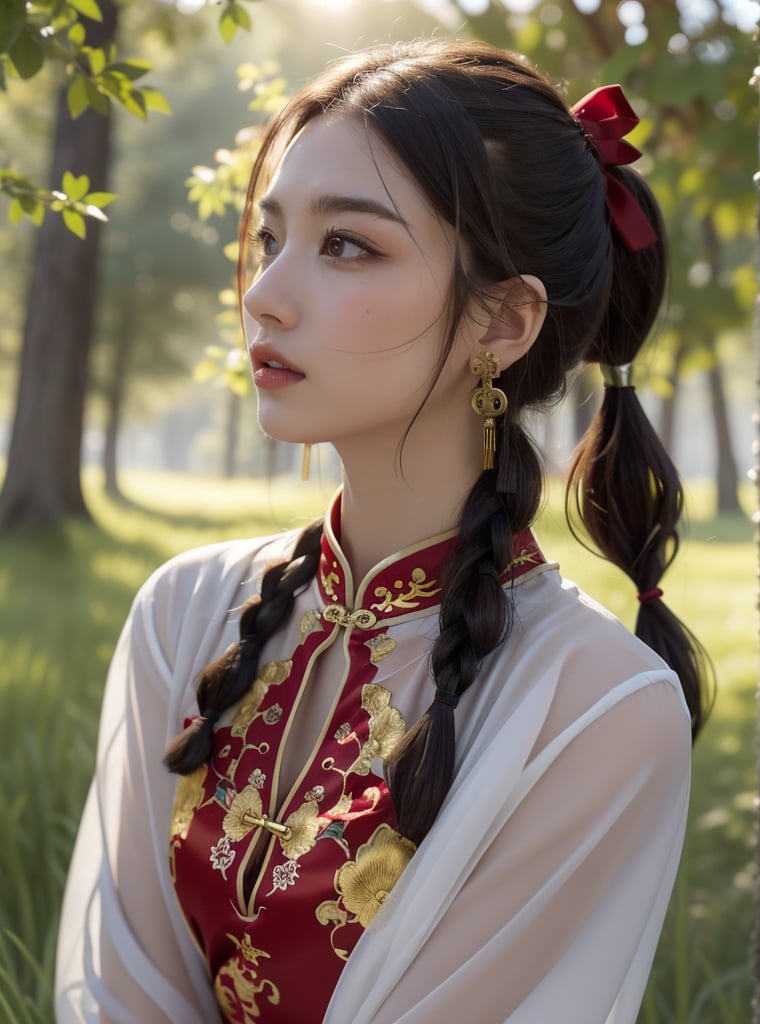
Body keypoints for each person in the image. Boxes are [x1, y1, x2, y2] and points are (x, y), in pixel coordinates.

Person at [55, 38, 711, 1024]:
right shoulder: (185, 612)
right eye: (270, 237)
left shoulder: (599, 707)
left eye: (347, 244)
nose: (265, 294)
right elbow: (117, 992)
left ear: (503, 320)